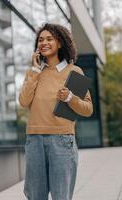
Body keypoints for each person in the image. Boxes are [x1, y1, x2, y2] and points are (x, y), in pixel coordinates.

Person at [19, 23, 93, 200]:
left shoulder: (74, 71)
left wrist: (70, 98)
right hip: (34, 140)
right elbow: (23, 101)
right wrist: (35, 71)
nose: (44, 42)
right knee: (35, 195)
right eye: (40, 40)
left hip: (62, 141)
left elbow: (88, 109)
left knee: (61, 196)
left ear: (60, 43)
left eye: (49, 39)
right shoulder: (34, 73)